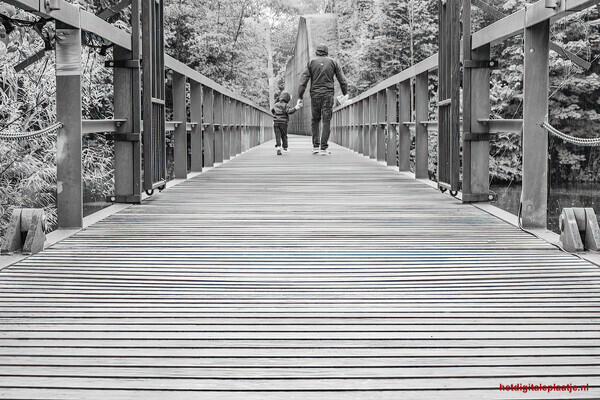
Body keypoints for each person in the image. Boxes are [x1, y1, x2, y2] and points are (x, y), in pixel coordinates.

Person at [297, 44, 348, 155]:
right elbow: (342, 80)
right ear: (326, 52)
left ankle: (315, 146)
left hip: (315, 94)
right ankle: (324, 148)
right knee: (326, 121)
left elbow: (303, 81)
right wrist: (345, 93)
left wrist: (300, 96)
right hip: (328, 95)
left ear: (317, 52)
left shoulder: (311, 62)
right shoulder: (333, 62)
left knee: (315, 120)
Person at [271, 91, 301, 155]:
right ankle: (285, 147)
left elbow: (272, 111)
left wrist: (276, 116)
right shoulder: (286, 105)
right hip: (283, 122)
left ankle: (278, 147)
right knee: (284, 135)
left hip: (276, 121)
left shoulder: (276, 104)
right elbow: (289, 112)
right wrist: (295, 108)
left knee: (277, 135)